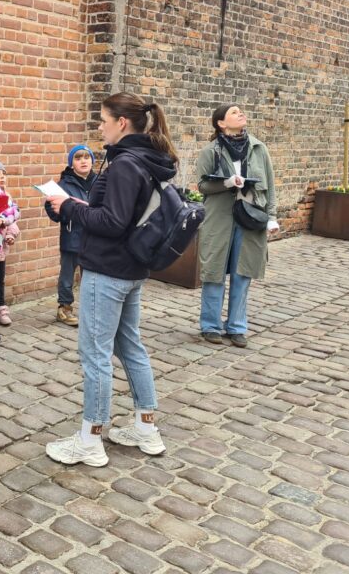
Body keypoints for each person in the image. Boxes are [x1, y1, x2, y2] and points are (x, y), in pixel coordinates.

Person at [44, 93, 176, 466]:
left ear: (121, 122)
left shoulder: (125, 164)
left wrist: (70, 207)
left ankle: (90, 439)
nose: (99, 127)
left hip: (108, 270)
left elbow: (113, 222)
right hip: (131, 267)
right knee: (130, 346)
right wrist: (85, 207)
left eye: (103, 120)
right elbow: (124, 215)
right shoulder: (149, 158)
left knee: (95, 353)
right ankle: (145, 428)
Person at [196, 104, 278, 348]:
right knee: (214, 272)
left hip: (251, 217)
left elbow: (270, 185)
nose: (240, 113)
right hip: (219, 219)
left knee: (243, 272)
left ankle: (237, 327)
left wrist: (272, 216)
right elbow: (202, 186)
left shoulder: (258, 148)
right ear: (221, 123)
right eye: (233, 112)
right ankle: (210, 325)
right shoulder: (211, 150)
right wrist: (228, 183)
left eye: (241, 111)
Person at [44, 146, 98, 327]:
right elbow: (53, 210)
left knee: (92, 277)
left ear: (92, 161)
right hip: (72, 237)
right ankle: (64, 308)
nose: (83, 161)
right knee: (67, 276)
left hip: (95, 237)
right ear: (71, 163)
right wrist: (64, 212)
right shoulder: (63, 185)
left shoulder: (100, 181)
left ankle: (92, 310)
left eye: (87, 157)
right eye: (78, 158)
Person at [0, 157, 21, 326]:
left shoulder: (7, 196)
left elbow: (12, 218)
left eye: (3, 173)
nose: (2, 176)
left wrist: (11, 234)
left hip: (2, 246)